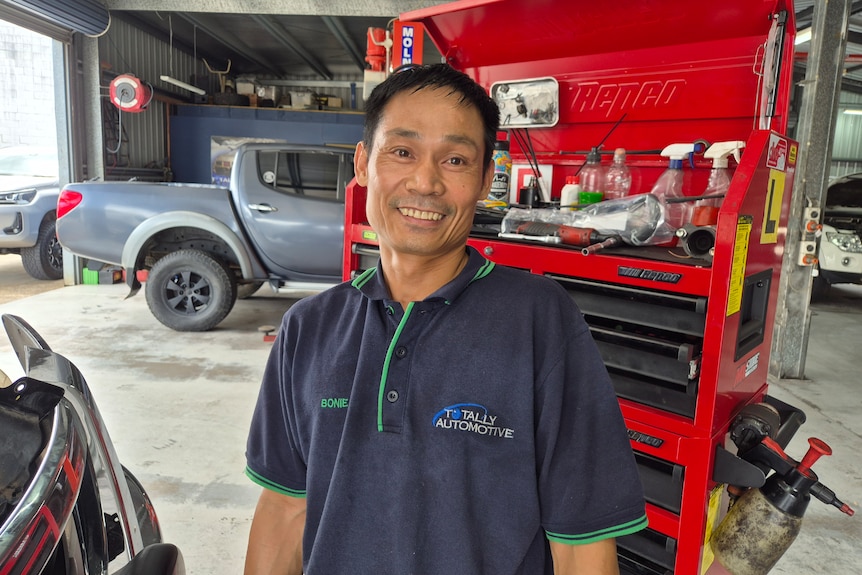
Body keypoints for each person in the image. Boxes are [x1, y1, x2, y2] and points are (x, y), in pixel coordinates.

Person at [244, 63, 647, 575]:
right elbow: (284, 509)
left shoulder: (540, 321)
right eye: (403, 152)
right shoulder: (308, 327)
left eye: (455, 159)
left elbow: (581, 544)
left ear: (484, 181)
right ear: (364, 163)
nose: (425, 182)